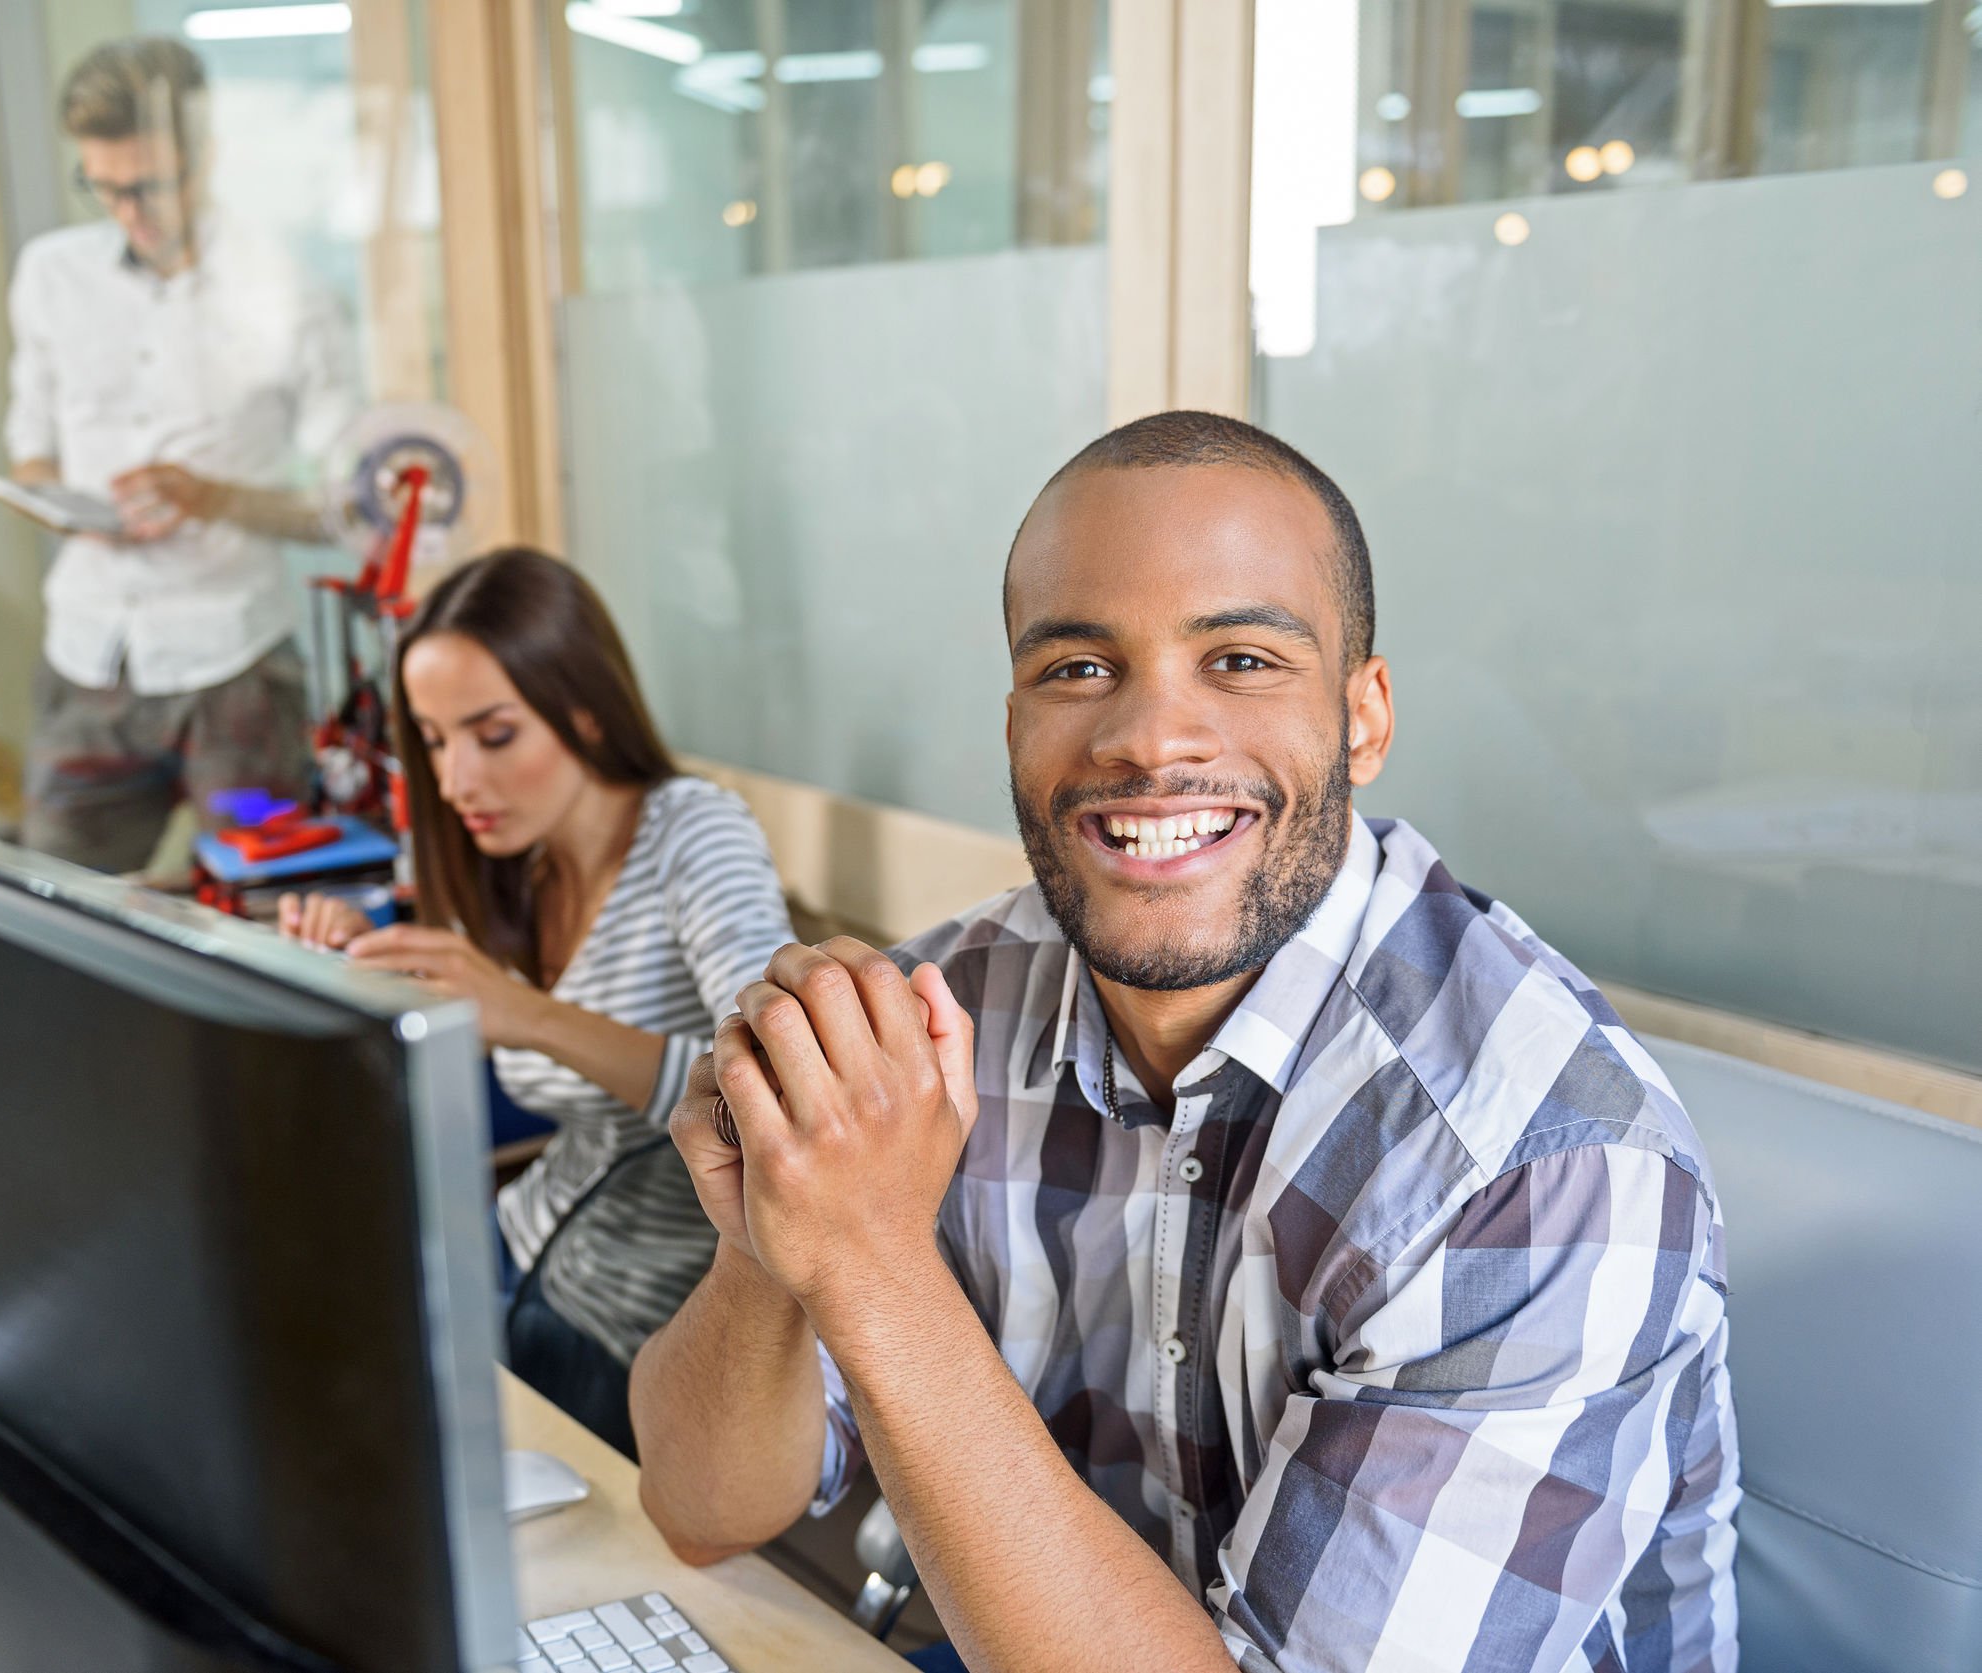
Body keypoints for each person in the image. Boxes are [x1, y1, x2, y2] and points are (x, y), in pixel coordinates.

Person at [630, 412, 1739, 1672]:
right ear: (1012, 730)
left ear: (1363, 716)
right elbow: (699, 1503)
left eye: (1242, 658)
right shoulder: (938, 1008)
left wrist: (869, 1253)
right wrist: (769, 1236)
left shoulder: (1539, 1164)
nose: (1150, 739)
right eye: (1078, 670)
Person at [280, 548, 794, 1451]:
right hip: (513, 1246)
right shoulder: (511, 856)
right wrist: (338, 956)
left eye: (493, 734)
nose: (455, 783)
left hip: (639, 1322)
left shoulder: (692, 831)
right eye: (435, 742)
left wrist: (529, 1018)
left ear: (585, 712)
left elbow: (775, 1085)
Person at [4, 37, 352, 873]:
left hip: (235, 676)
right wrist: (64, 505)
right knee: (57, 909)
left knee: (274, 908)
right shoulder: (51, 275)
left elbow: (345, 501)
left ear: (208, 156)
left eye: (151, 186)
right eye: (106, 187)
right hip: (88, 660)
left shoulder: (289, 291)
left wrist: (213, 498)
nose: (130, 211)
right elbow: (31, 452)